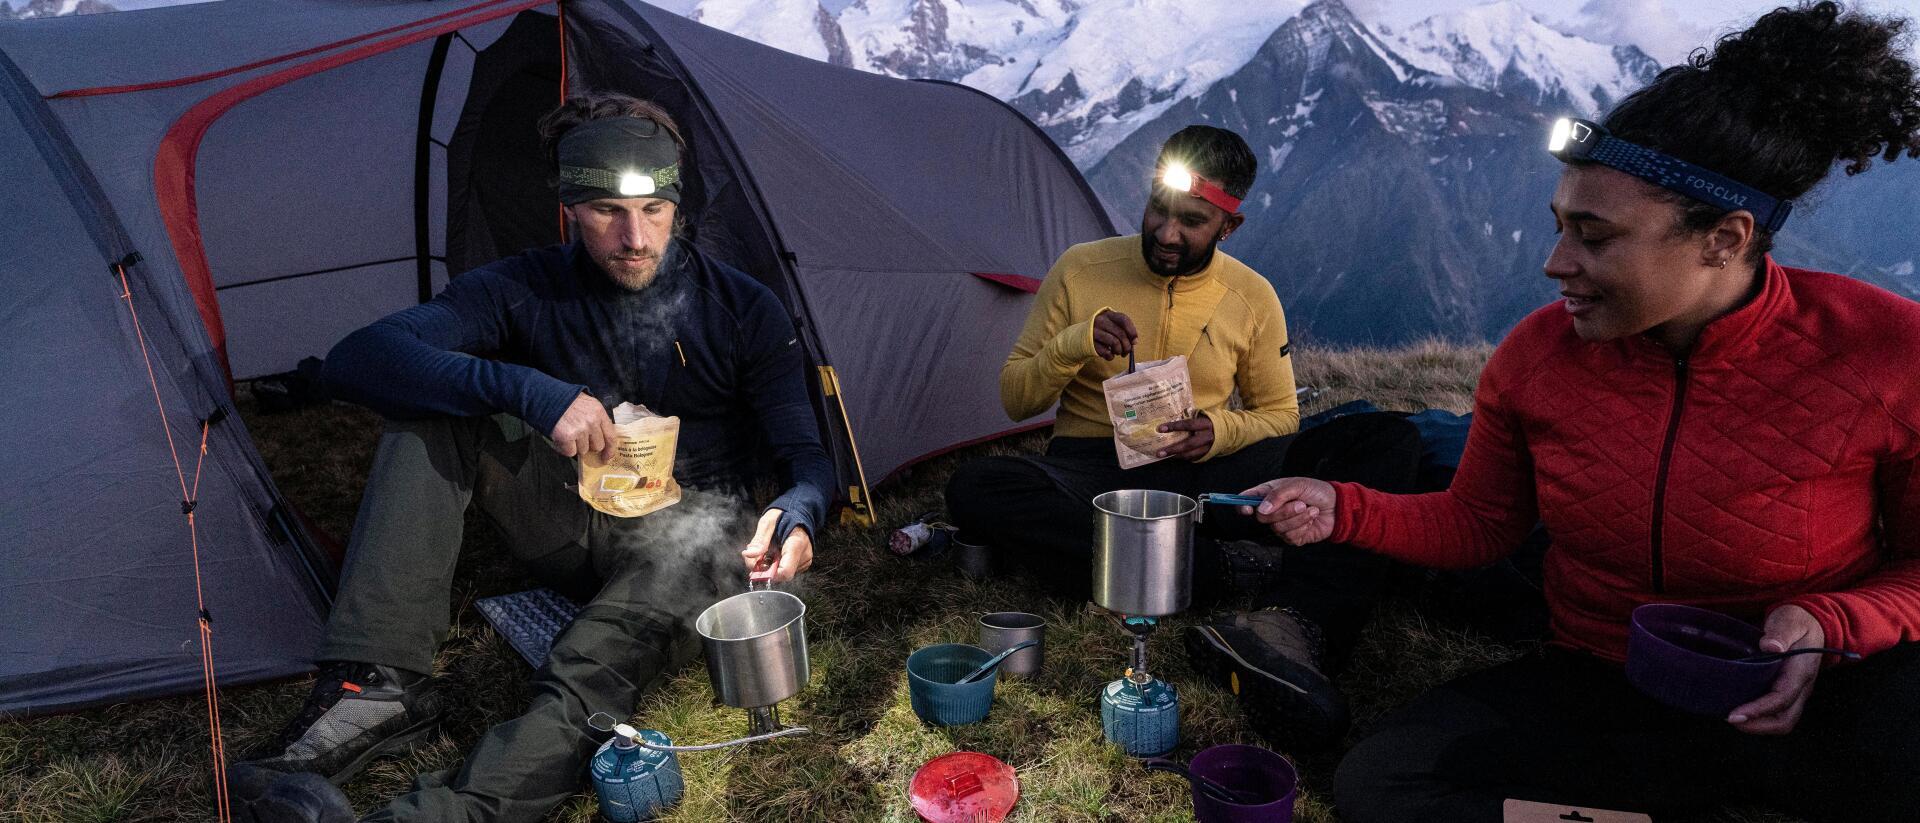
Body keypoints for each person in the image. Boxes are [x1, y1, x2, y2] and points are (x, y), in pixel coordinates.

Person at [1233, 4, 1920, 820]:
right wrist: (1345, 506)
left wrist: (1832, 619)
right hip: (1606, 679)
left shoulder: (1883, 350)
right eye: (1560, 227)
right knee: (1387, 784)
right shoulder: (1537, 356)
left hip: (1812, 688)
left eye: (1595, 238)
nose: (1558, 264)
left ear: (1725, 239)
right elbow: (1480, 523)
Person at [229, 92, 834, 823]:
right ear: (570, 208)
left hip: (692, 541)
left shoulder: (741, 307)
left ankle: (443, 815)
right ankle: (374, 687)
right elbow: (361, 358)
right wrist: (532, 392)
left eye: (654, 211)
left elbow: (809, 457)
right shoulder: (525, 288)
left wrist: (797, 513)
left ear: (678, 203)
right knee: (437, 409)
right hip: (570, 519)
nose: (635, 237)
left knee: (587, 664)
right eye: (608, 210)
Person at [945, 125, 1429, 747]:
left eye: (1192, 221)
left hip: (1206, 470)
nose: (1167, 234)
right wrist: (1075, 343)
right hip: (1094, 470)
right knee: (978, 487)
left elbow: (1279, 413)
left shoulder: (1251, 296)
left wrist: (1219, 430)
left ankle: (1293, 624)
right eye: (1158, 210)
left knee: (1386, 440)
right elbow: (1017, 399)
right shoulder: (1081, 270)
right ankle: (1221, 570)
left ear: (1230, 227)